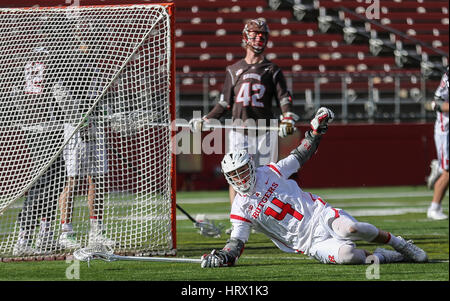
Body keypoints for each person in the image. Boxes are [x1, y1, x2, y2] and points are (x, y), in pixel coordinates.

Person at [200, 107, 428, 267]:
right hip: (309, 243)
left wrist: (316, 131)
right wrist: (223, 257)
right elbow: (237, 242)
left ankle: (400, 244)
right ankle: (388, 257)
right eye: (234, 175)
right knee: (349, 256)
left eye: (242, 171)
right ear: (228, 178)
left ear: (251, 166)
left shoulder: (269, 172)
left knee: (350, 229)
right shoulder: (240, 207)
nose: (240, 178)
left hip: (319, 215)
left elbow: (300, 154)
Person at [189, 18, 300, 218]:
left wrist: (288, 118)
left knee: (267, 177)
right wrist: (206, 119)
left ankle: (265, 218)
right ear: (245, 37)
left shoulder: (272, 69)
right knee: (237, 175)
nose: (259, 38)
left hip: (265, 131)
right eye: (255, 34)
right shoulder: (233, 70)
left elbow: (284, 97)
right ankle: (238, 218)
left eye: (263, 35)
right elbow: (224, 103)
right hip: (239, 131)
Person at [57, 45, 115, 249]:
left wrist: (107, 114)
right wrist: (80, 120)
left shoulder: (94, 66)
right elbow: (61, 94)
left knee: (96, 180)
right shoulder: (70, 64)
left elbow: (99, 97)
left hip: (95, 128)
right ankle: (66, 231)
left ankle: (96, 231)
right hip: (75, 129)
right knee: (72, 181)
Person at [12, 45, 67, 256]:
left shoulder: (25, 60)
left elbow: (15, 92)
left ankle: (44, 234)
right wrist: (77, 118)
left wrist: (24, 119)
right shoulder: (53, 61)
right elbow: (58, 92)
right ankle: (25, 237)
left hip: (30, 127)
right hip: (49, 128)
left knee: (51, 183)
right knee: (47, 183)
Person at [425, 67, 449, 220]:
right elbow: (436, 103)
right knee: (448, 171)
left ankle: (439, 168)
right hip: (446, 129)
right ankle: (434, 208)